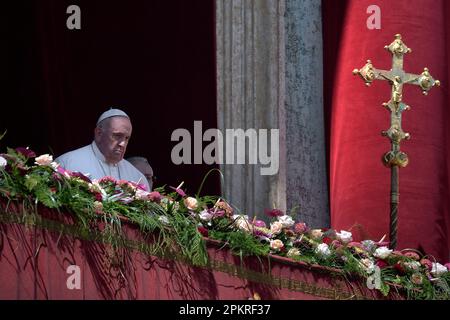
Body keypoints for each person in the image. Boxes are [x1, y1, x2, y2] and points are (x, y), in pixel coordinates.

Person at [55, 108, 150, 190]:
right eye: (117, 136)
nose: (123, 144)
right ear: (99, 133)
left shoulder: (137, 177)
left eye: (126, 138)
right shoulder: (67, 163)